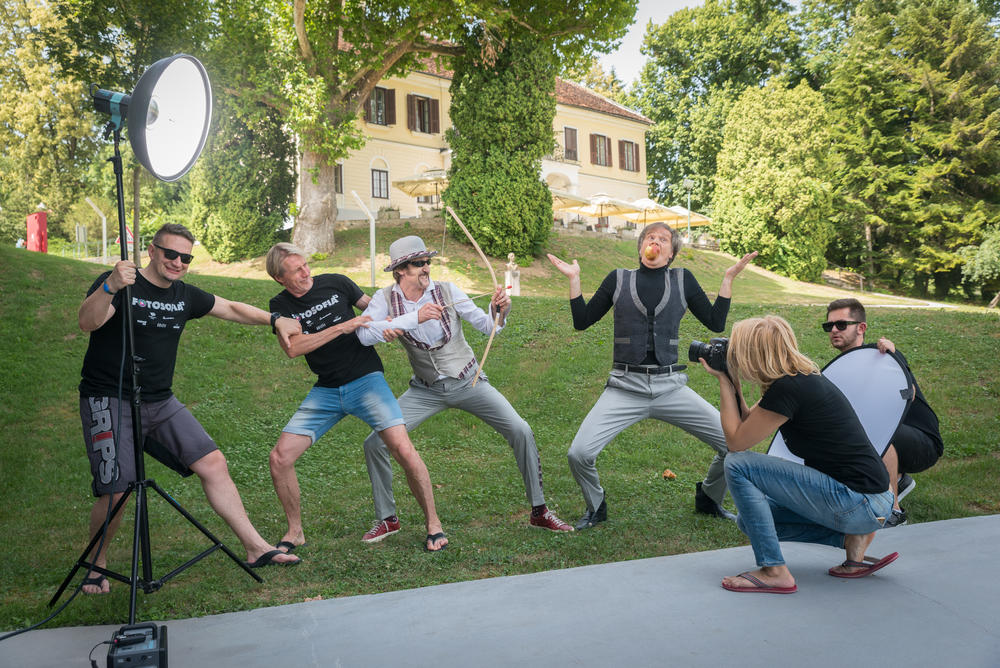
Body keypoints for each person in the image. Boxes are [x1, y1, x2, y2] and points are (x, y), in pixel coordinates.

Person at [78, 223, 302, 595]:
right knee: (117, 490)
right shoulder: (119, 283)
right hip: (108, 397)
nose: (178, 262)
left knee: (213, 462)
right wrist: (110, 287)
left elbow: (229, 308)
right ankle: (95, 563)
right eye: (171, 254)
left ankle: (254, 547)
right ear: (152, 251)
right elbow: (87, 321)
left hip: (159, 400)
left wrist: (274, 319)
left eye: (186, 257)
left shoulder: (183, 296)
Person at [356, 236, 572, 541]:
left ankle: (540, 511)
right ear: (400, 270)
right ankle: (387, 518)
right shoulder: (385, 298)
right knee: (374, 443)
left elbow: (489, 326)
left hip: (468, 380)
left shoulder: (446, 290)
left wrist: (500, 310)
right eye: (419, 263)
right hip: (425, 389)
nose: (426, 267)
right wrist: (406, 320)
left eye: (427, 261)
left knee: (520, 429)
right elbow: (364, 334)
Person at [546, 223, 757, 529]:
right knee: (578, 454)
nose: (654, 242)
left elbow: (715, 322)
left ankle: (709, 498)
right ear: (641, 246)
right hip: (624, 387)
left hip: (670, 387)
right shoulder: (618, 279)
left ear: (671, 253)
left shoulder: (683, 279)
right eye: (649, 237)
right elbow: (582, 321)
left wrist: (727, 279)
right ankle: (596, 505)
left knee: (734, 444)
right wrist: (575, 280)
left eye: (662, 239)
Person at [264, 242, 448, 552]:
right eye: (297, 271)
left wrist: (390, 326)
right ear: (280, 278)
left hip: (366, 381)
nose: (307, 273)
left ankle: (434, 524)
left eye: (306, 265)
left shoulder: (335, 282)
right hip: (326, 390)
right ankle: (295, 531)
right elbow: (294, 348)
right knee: (279, 458)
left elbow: (377, 310)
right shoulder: (281, 306)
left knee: (403, 449)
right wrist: (341, 327)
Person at [699, 315, 897, 594]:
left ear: (753, 353)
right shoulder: (796, 380)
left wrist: (722, 380)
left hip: (859, 501)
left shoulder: (788, 389)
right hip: (872, 502)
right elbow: (748, 423)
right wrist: (731, 380)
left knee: (737, 464)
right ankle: (850, 539)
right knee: (750, 520)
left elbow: (736, 443)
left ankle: (774, 571)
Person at [825, 298, 943, 528]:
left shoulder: (884, 355)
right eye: (829, 326)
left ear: (861, 328)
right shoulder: (839, 370)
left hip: (923, 442)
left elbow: (909, 392)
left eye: (841, 324)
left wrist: (894, 354)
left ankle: (894, 513)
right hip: (889, 440)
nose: (833, 331)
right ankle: (898, 479)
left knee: (873, 434)